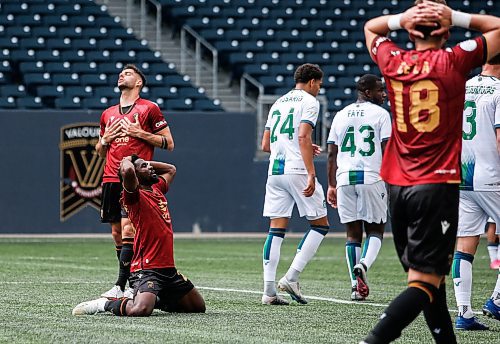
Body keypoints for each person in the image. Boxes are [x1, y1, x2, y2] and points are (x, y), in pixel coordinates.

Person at [361, 0, 500, 343]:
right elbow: (497, 28)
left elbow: (371, 28)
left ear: (410, 32)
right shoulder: (452, 60)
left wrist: (401, 19)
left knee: (428, 278)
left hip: (397, 184)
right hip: (435, 184)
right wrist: (456, 16)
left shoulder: (394, 60)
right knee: (423, 282)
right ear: (445, 31)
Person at [72, 155, 205, 316]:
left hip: (168, 270)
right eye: (144, 166)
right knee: (140, 310)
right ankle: (104, 304)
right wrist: (127, 159)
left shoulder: (157, 189)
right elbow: (127, 170)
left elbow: (171, 169)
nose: (150, 167)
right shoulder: (133, 196)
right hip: (146, 268)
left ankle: (152, 299)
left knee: (197, 307)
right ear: (135, 175)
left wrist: (144, 163)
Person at [96, 64, 174, 299]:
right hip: (111, 176)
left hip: (135, 180)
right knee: (117, 233)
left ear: (139, 82)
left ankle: (122, 285)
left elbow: (168, 143)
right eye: (121, 73)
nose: (122, 74)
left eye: (128, 73)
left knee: (130, 228)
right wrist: (105, 140)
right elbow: (100, 151)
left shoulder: (149, 109)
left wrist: (140, 133)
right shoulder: (107, 114)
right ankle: (131, 281)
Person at [261, 63, 329, 305]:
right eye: (319, 83)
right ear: (311, 82)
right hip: (297, 169)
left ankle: (269, 292)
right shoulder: (310, 102)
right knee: (320, 224)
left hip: (275, 170)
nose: (319, 88)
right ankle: (292, 276)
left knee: (276, 229)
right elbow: (302, 135)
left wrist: (304, 147)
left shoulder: (278, 103)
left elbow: (265, 145)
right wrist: (311, 172)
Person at [326, 74, 391, 301]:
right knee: (375, 229)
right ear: (366, 91)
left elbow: (332, 153)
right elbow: (386, 148)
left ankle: (356, 287)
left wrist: (331, 184)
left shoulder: (340, 115)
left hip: (344, 178)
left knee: (352, 234)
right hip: (372, 177)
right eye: (379, 90)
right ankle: (363, 264)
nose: (384, 94)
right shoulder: (381, 115)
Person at [452, 60, 500, 330]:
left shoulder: (462, 88)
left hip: (462, 175)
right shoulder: (499, 91)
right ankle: (497, 300)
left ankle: (464, 312)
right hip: (491, 175)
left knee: (465, 244)